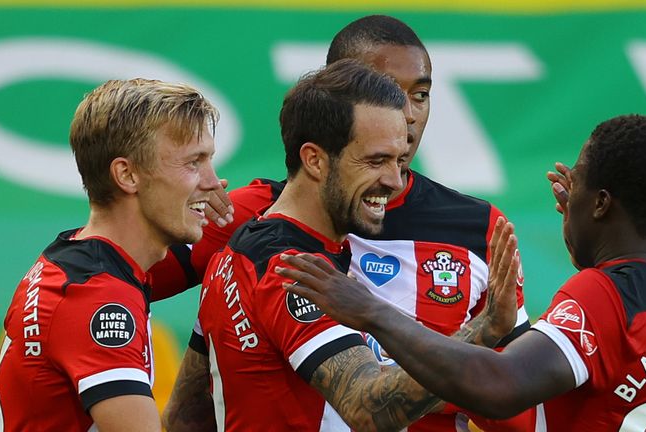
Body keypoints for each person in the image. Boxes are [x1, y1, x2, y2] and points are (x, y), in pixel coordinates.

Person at [155, 15, 532, 431]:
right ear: (315, 158)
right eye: (375, 161)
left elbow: (518, 402)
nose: (406, 116)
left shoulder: (478, 227)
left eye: (420, 94)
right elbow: (367, 408)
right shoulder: (276, 248)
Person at [279, 114, 646, 430]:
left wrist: (371, 311)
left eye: (580, 182)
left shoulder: (603, 296)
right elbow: (625, 367)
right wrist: (592, 237)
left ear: (602, 204)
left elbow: (500, 387)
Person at [0, 78, 221, 431]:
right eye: (194, 163)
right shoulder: (98, 298)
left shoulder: (77, 261)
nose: (213, 181)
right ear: (127, 174)